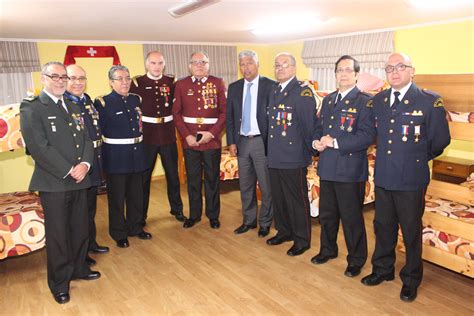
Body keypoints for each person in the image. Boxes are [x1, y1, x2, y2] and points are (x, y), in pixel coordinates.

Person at [360, 53, 450, 302]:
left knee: (410, 230)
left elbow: (441, 140)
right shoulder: (377, 101)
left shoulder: (429, 101)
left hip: (411, 178)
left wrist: (416, 158)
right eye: (389, 68)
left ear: (412, 71)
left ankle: (411, 279)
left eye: (400, 67)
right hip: (385, 175)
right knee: (382, 226)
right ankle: (382, 269)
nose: (394, 72)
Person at [20, 61, 100, 304]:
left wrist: (85, 165)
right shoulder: (33, 108)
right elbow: (38, 148)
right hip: (54, 182)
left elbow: (87, 138)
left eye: (63, 76)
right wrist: (69, 170)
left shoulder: (73, 106)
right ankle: (59, 283)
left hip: (79, 179)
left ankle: (79, 269)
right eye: (54, 76)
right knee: (58, 235)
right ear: (43, 78)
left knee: (80, 229)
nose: (60, 80)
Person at [310, 55, 375, 278]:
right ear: (335, 74)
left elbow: (367, 136)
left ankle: (356, 259)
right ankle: (328, 250)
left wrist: (335, 142)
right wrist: (316, 142)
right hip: (327, 166)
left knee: (351, 218)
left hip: (349, 169)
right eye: (339, 70)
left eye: (348, 70)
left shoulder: (365, 101)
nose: (343, 74)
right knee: (327, 214)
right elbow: (319, 127)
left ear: (356, 74)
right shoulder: (328, 100)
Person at [94, 65, 152, 248]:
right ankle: (118, 232)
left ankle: (135, 227)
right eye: (119, 79)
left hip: (137, 154)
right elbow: (99, 132)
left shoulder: (136, 99)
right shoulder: (103, 102)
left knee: (137, 194)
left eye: (127, 78)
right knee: (117, 198)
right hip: (116, 157)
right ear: (111, 82)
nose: (125, 82)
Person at [266, 53, 317, 256]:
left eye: (284, 65)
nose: (279, 69)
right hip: (275, 155)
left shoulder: (302, 93)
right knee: (279, 198)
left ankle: (302, 239)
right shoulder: (274, 90)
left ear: (294, 68)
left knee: (296, 200)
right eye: (277, 65)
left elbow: (308, 127)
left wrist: (309, 154)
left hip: (293, 156)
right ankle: (284, 231)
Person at [172, 51, 226, 229]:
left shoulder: (217, 83)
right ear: (190, 66)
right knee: (193, 179)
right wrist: (186, 136)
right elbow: (176, 113)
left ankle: (213, 215)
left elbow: (224, 113)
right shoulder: (181, 84)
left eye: (203, 62)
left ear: (208, 65)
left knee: (212, 179)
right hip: (190, 140)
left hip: (211, 139)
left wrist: (212, 133)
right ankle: (194, 214)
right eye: (195, 62)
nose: (199, 65)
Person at [130, 51, 185, 225]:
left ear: (164, 64)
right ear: (147, 64)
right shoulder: (137, 83)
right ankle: (141, 216)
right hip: (148, 135)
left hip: (168, 134)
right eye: (153, 63)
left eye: (160, 63)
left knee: (172, 175)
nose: (157, 66)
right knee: (144, 178)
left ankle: (177, 209)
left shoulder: (171, 81)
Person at [65, 64, 110, 267]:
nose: (77, 82)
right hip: (77, 166)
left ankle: (90, 242)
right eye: (73, 78)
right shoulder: (63, 104)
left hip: (93, 161)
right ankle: (79, 253)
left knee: (90, 209)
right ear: (64, 80)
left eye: (81, 78)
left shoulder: (87, 99)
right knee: (78, 214)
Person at [226, 50, 274, 237]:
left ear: (257, 64)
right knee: (245, 185)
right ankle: (249, 221)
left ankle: (265, 222)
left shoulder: (270, 86)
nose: (246, 68)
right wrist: (231, 142)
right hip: (242, 141)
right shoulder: (234, 87)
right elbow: (230, 118)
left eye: (249, 63)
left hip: (262, 142)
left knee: (266, 185)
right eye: (243, 64)